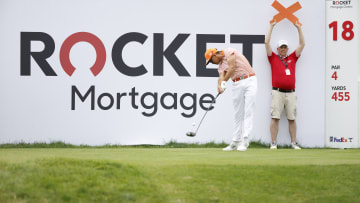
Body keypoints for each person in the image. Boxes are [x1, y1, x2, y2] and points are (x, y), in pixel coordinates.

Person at [204, 48, 257, 151]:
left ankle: (245, 141)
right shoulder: (220, 67)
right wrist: (219, 86)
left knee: (248, 111)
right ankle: (235, 142)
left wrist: (224, 82)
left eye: (211, 60)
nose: (212, 63)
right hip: (236, 83)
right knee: (238, 114)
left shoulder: (229, 52)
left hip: (250, 80)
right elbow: (221, 77)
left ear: (215, 55)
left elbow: (232, 68)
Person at [264, 21, 305, 150]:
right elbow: (266, 43)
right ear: (278, 49)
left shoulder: (293, 57)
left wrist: (298, 28)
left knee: (292, 118)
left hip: (291, 93)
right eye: (281, 47)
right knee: (275, 117)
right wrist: (271, 27)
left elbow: (302, 44)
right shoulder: (273, 58)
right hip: (277, 92)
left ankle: (293, 143)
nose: (283, 49)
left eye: (285, 47)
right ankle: (273, 143)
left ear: (287, 48)